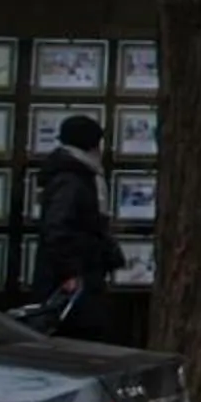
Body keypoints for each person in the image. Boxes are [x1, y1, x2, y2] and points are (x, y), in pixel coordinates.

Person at [31, 112, 124, 323]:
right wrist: (69, 272)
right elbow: (58, 227)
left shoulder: (67, 173)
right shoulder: (73, 179)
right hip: (73, 276)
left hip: (74, 271)